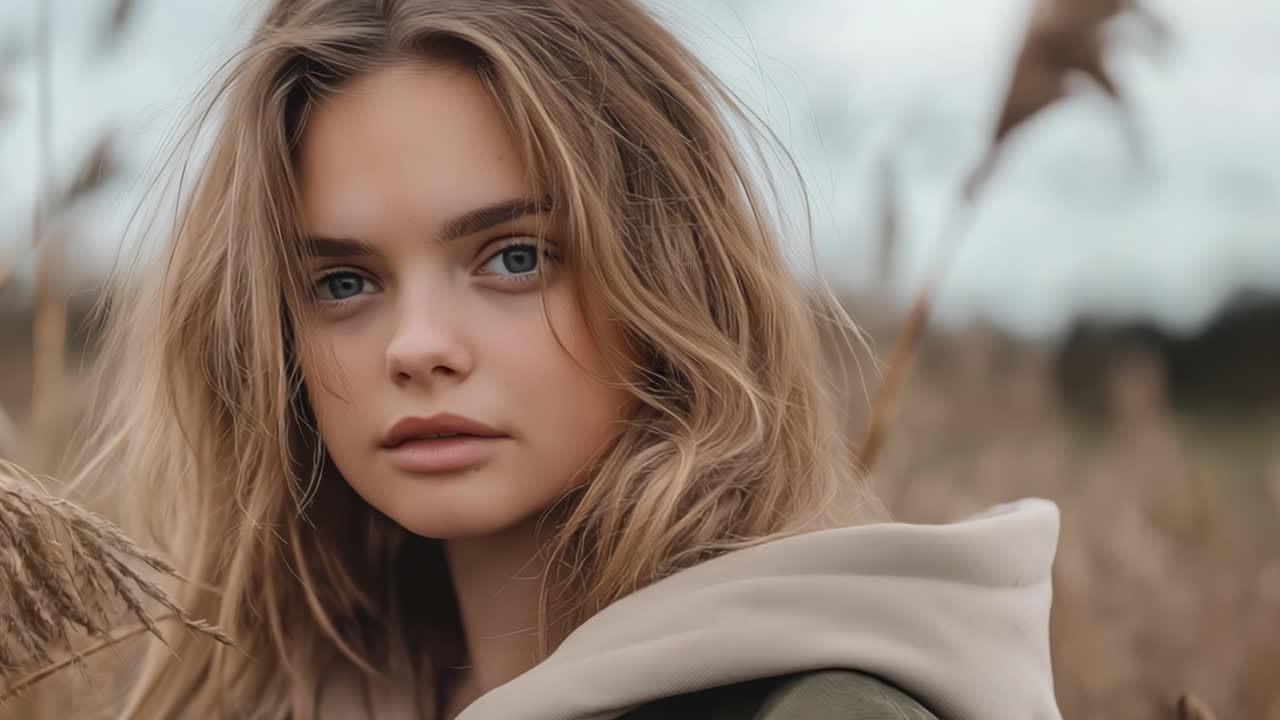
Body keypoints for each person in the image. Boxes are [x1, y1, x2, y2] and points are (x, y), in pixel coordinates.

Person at [69, 1, 1063, 718]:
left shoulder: (812, 709)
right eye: (343, 282)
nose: (416, 348)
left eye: (512, 258)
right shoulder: (269, 696)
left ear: (668, 280)